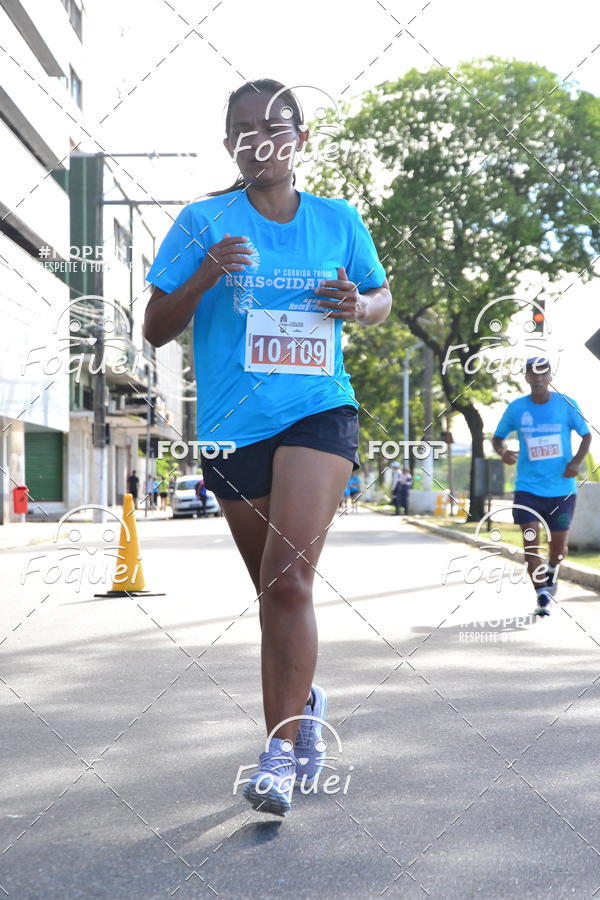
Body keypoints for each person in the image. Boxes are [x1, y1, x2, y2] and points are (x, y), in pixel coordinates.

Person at [143, 79, 391, 816]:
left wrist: (362, 307)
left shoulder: (338, 221)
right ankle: (304, 695)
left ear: (301, 139)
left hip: (319, 413)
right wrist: (205, 273)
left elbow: (380, 297)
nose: (261, 140)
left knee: (288, 581)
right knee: (275, 594)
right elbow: (156, 327)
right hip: (231, 429)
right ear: (230, 145)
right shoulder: (200, 221)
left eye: (276, 128)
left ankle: (279, 751)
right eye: (245, 130)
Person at [492, 357, 591, 617]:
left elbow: (587, 435)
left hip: (562, 489)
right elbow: (497, 438)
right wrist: (503, 452)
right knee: (531, 546)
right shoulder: (516, 408)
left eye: (542, 374)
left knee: (558, 550)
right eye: (532, 374)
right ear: (526, 378)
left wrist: (576, 463)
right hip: (527, 489)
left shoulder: (566, 405)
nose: (537, 379)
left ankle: (552, 569)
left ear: (549, 378)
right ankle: (541, 595)